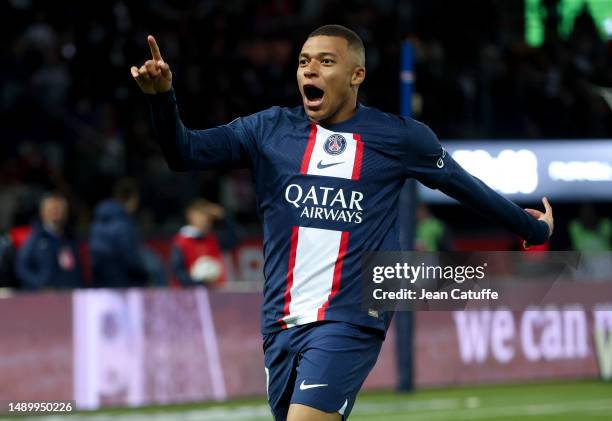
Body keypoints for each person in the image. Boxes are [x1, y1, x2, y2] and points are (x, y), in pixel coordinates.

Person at [131, 25, 554, 421]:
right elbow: (184, 153)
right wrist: (161, 99)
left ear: (357, 75)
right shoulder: (267, 130)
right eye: (303, 61)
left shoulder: (400, 138)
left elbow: (465, 187)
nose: (310, 69)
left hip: (352, 316)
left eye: (325, 61)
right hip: (280, 320)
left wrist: (531, 228)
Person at [89, 178, 149, 288]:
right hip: (123, 283)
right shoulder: (123, 223)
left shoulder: (97, 221)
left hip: (101, 281)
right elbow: (130, 257)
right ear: (133, 199)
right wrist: (144, 275)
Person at [15, 192, 82, 290]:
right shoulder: (34, 238)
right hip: (43, 298)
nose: (56, 212)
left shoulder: (72, 238)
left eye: (59, 209)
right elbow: (22, 268)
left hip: (68, 295)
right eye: (52, 209)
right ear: (42, 212)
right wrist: (40, 285)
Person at [171, 199, 239, 287]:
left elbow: (236, 238)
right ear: (191, 216)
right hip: (191, 294)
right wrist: (201, 283)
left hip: (215, 292)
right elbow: (178, 272)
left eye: (208, 218)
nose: (205, 221)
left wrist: (224, 216)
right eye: (201, 215)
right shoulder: (181, 241)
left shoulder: (213, 239)